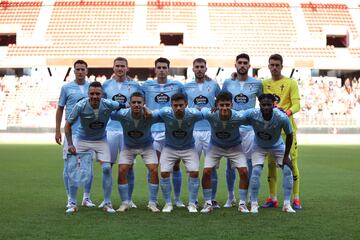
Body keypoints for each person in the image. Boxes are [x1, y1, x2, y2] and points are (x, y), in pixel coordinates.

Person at [64, 81, 124, 214]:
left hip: (100, 140)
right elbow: (67, 125)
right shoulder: (81, 105)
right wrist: (70, 144)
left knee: (107, 169)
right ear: (88, 94)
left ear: (102, 94)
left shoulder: (108, 104)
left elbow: (122, 106)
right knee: (75, 170)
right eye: (92, 93)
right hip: (82, 140)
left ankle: (107, 203)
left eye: (98, 94)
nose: (95, 96)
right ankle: (72, 203)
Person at [142, 57, 185, 207]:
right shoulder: (146, 85)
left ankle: (177, 199)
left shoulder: (177, 85)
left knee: (175, 166)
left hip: (170, 131)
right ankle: (152, 200)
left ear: (168, 69)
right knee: (153, 166)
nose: (161, 70)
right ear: (155, 69)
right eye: (159, 67)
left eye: (164, 67)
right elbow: (138, 100)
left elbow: (186, 102)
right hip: (152, 131)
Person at [100, 57, 142, 209]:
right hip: (110, 130)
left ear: (127, 68)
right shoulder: (106, 85)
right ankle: (106, 200)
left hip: (128, 131)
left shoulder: (135, 85)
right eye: (117, 66)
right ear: (113, 68)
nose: (120, 68)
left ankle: (129, 200)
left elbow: (141, 105)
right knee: (107, 167)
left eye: (122, 66)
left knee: (129, 167)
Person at [243, 94, 295, 213]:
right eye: (263, 105)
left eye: (269, 105)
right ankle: (254, 204)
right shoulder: (253, 113)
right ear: (259, 104)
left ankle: (287, 204)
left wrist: (286, 156)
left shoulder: (281, 117)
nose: (266, 107)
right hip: (259, 145)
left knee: (287, 169)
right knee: (255, 171)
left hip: (277, 145)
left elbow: (290, 135)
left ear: (274, 105)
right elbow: (237, 116)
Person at [222, 53, 262, 207]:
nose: (242, 65)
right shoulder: (227, 82)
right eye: (240, 62)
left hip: (250, 129)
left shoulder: (257, 84)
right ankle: (230, 196)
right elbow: (222, 102)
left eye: (245, 63)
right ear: (235, 65)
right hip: (232, 128)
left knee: (250, 163)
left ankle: (250, 196)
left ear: (249, 66)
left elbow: (264, 101)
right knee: (230, 164)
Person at [110, 92, 162, 213]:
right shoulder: (123, 114)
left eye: (139, 102)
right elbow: (110, 114)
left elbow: (165, 114)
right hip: (129, 146)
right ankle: (124, 203)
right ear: (129, 104)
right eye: (134, 102)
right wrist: (120, 106)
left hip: (147, 146)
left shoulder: (151, 115)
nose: (136, 105)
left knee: (154, 169)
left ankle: (152, 203)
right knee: (122, 170)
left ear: (144, 104)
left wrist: (150, 111)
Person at [262, 54, 302, 209]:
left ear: (282, 66)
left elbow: (297, 105)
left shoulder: (291, 83)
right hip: (271, 131)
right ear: (268, 66)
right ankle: (272, 198)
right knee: (271, 164)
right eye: (271, 65)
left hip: (287, 130)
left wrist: (286, 113)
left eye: (277, 65)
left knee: (291, 163)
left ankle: (296, 198)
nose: (274, 68)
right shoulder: (264, 83)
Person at [200, 91, 249, 213]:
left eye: (227, 105)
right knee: (206, 172)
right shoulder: (210, 113)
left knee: (243, 172)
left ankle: (242, 203)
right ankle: (207, 203)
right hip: (215, 146)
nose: (224, 108)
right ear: (217, 105)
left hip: (234, 146)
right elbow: (197, 109)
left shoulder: (239, 116)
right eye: (222, 105)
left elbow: (253, 115)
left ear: (232, 105)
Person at [55, 60, 94, 209]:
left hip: (88, 133)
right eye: (77, 69)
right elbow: (60, 109)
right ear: (74, 71)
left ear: (86, 70)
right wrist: (58, 129)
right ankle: (70, 199)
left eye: (82, 69)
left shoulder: (92, 87)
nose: (80, 72)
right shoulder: (66, 88)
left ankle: (87, 197)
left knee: (88, 166)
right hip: (71, 133)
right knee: (69, 166)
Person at [156, 93, 203, 213]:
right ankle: (168, 204)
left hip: (188, 148)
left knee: (194, 172)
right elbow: (151, 114)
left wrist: (211, 109)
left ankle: (192, 204)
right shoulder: (165, 112)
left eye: (181, 105)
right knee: (164, 173)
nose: (178, 108)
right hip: (170, 148)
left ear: (186, 104)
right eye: (175, 105)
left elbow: (207, 112)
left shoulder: (193, 113)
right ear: (171, 105)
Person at [184, 58, 221, 208]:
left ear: (206, 69)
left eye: (202, 67)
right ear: (192, 69)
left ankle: (211, 199)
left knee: (211, 167)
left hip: (210, 131)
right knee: (192, 168)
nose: (199, 69)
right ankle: (193, 200)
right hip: (193, 131)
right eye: (197, 67)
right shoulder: (186, 87)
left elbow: (222, 101)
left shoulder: (214, 85)